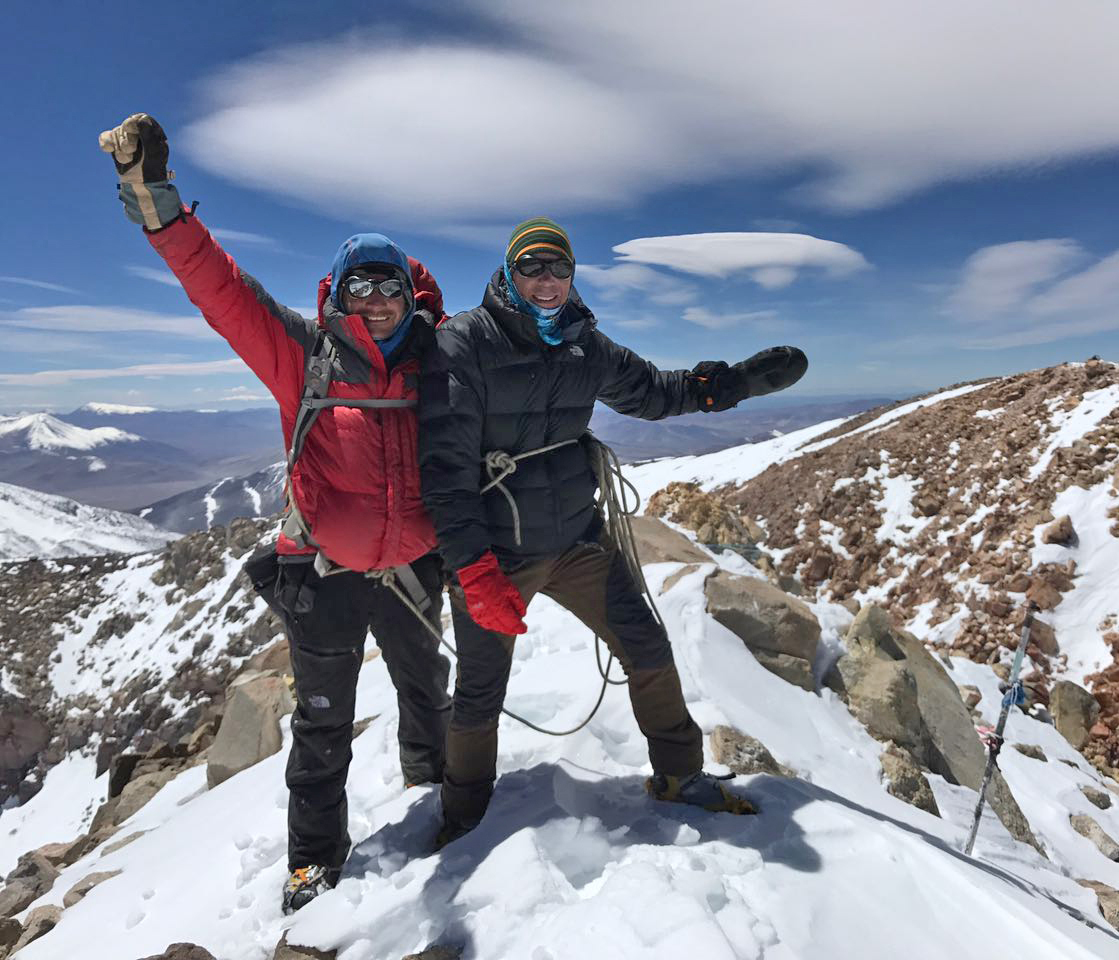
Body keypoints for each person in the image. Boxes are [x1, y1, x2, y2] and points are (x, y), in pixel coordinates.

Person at [99, 114, 453, 913]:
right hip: (322, 574)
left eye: (388, 284)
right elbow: (221, 290)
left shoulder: (441, 363)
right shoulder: (302, 357)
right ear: (336, 295)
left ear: (411, 292)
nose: (375, 299)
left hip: (411, 570)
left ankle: (432, 797)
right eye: (357, 285)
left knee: (427, 691)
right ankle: (312, 862)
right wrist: (156, 200)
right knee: (323, 723)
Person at [421, 217, 806, 845]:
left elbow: (654, 392)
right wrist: (471, 565)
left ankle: (679, 776)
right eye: (533, 267)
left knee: (648, 649)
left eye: (559, 268)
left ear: (573, 276)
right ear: (510, 273)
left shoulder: (584, 344)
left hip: (578, 540)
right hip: (498, 552)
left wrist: (729, 385)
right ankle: (463, 816)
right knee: (480, 691)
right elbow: (444, 470)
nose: (547, 281)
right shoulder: (465, 342)